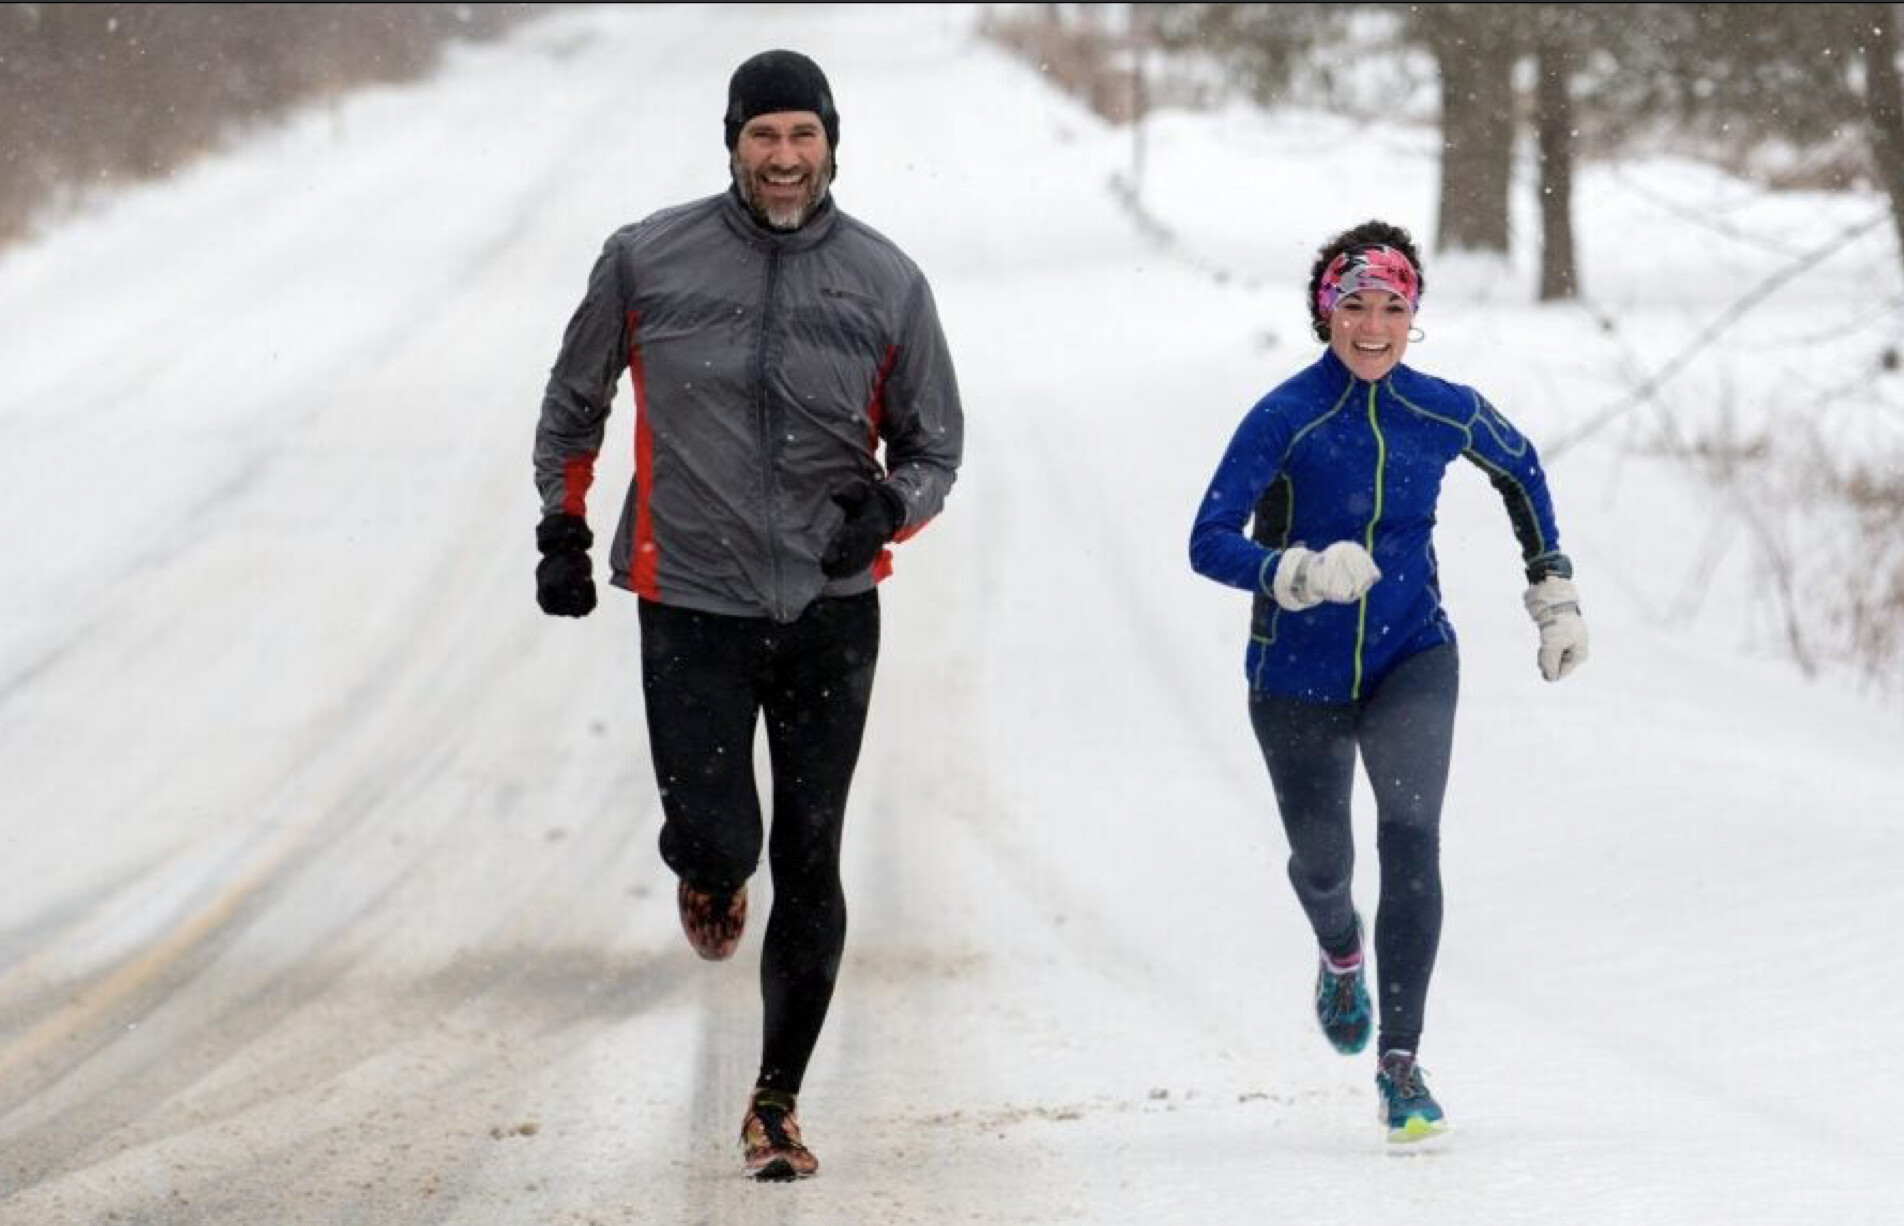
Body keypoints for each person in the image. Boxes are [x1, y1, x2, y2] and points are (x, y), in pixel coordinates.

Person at [531, 49, 964, 1181]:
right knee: (725, 836)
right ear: (731, 143)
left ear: (831, 145)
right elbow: (574, 401)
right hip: (691, 599)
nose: (783, 157)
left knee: (812, 853)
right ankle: (711, 867)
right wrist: (563, 525)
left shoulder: (886, 281)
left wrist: (888, 511)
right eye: (763, 135)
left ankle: (776, 1101)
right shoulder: (646, 259)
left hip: (829, 607)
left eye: (801, 136)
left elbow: (935, 449)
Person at [1187, 220, 1587, 1146]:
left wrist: (1553, 587)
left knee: (1411, 837)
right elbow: (1208, 539)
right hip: (1295, 673)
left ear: (1415, 316)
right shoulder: (1284, 416)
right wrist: (1295, 571)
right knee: (1325, 863)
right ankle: (1340, 951)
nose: (1374, 327)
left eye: (1393, 308)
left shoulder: (1441, 409)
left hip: (1414, 655)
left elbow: (1520, 467)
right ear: (1325, 312)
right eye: (1356, 306)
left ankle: (1400, 1065)